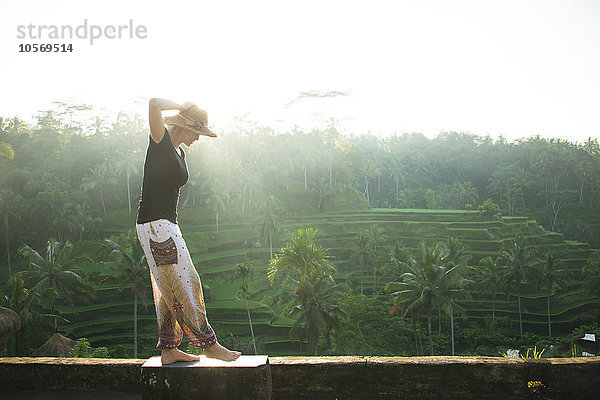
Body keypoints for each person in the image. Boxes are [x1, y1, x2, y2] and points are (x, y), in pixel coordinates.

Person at [136, 98, 241, 364]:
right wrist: (182, 105)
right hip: (154, 225)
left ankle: (169, 350)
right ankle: (208, 345)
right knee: (188, 282)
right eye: (196, 132)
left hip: (166, 224)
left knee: (168, 288)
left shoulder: (180, 152)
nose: (198, 138)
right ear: (182, 126)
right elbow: (153, 103)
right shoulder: (159, 142)